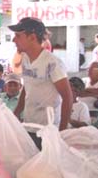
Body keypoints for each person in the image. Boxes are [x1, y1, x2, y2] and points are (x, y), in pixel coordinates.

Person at [11, 17, 73, 149]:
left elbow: (67, 97)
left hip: (48, 130)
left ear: (32, 38)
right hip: (29, 125)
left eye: (18, 36)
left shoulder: (53, 63)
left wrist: (62, 132)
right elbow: (27, 87)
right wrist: (16, 112)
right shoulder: (25, 59)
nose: (13, 40)